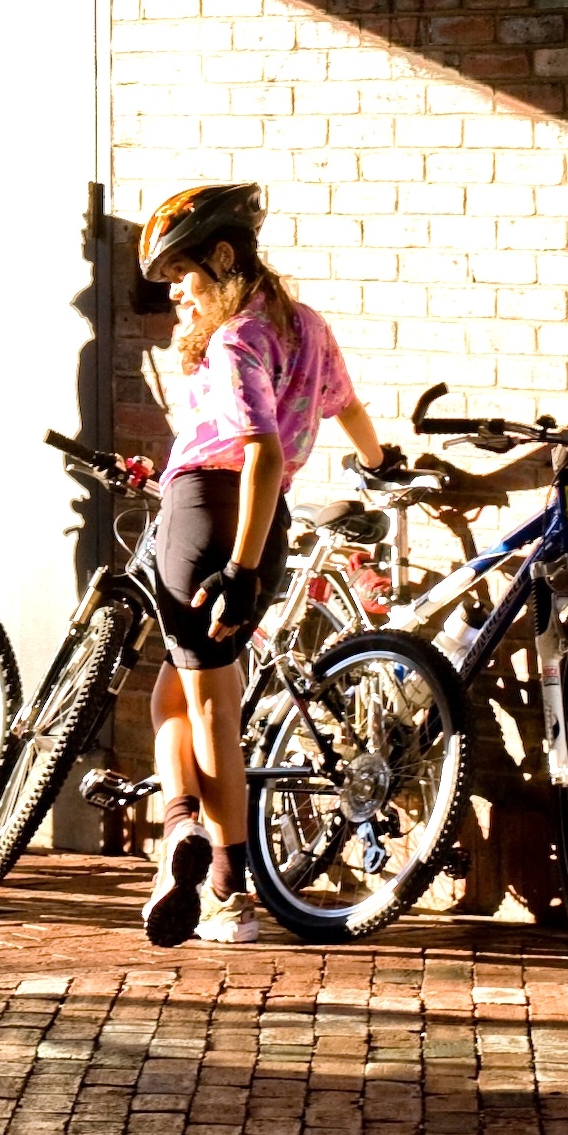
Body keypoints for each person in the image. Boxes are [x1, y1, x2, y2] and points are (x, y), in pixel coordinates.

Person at [131, 181, 398, 946]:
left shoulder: (236, 338)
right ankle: (182, 825)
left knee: (208, 707)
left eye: (185, 273)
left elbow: (262, 450)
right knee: (174, 703)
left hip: (210, 514)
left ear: (223, 256)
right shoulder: (306, 326)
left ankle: (227, 885)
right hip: (265, 521)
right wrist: (380, 464)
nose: (178, 292)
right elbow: (346, 407)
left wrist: (240, 568)